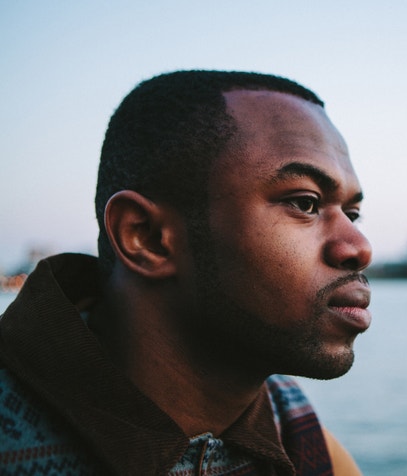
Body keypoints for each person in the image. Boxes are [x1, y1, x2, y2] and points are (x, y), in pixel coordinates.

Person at [0, 70, 372, 475]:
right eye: (305, 202)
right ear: (147, 237)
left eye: (352, 214)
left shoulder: (303, 439)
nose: (359, 247)